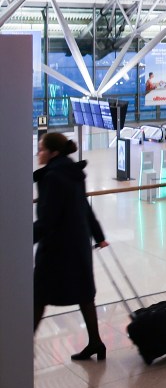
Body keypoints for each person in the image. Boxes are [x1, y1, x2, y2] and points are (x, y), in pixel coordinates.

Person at [33, 133, 109, 360]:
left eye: (41, 149)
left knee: (38, 296)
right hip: (78, 243)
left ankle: (23, 345)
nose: (38, 153)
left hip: (58, 248)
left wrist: (20, 239)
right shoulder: (72, 172)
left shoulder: (52, 177)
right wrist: (98, 235)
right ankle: (95, 342)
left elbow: (48, 219)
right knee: (85, 294)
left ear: (53, 152)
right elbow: (83, 205)